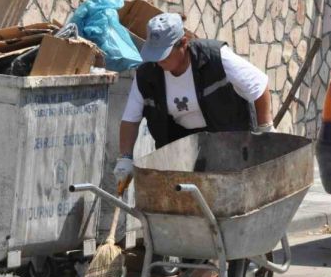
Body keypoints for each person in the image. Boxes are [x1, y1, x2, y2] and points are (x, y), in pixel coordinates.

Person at [113, 12, 274, 185]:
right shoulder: (147, 75)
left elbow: (259, 85)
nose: (158, 61)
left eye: (164, 54)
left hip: (227, 138)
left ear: (183, 43)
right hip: (181, 144)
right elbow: (130, 119)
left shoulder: (215, 57)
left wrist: (265, 130)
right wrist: (125, 159)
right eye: (154, 54)